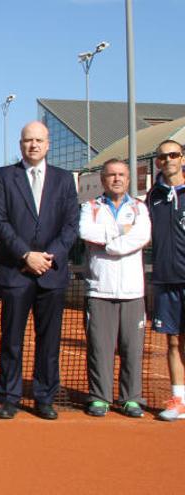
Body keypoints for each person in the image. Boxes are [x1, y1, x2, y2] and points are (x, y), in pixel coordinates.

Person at [0, 121, 79, 420]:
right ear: (21, 144)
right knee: (11, 339)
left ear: (48, 143)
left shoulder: (65, 180)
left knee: (49, 341)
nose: (34, 145)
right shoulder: (4, 176)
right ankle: (9, 398)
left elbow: (70, 225)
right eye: (28, 140)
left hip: (52, 274)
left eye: (39, 140)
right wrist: (27, 255)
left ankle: (44, 397)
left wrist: (48, 257)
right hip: (17, 272)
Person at [79, 158, 149, 418]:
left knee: (132, 348)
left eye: (121, 174)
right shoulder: (90, 207)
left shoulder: (140, 208)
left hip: (133, 292)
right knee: (99, 348)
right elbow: (86, 232)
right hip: (99, 290)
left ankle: (131, 398)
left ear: (128, 179)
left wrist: (109, 242)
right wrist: (123, 235)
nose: (117, 178)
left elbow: (142, 236)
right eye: (111, 175)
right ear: (103, 180)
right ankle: (99, 397)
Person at [146, 140, 185, 421]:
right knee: (173, 342)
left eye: (173, 155)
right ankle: (179, 401)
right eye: (163, 157)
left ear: (182, 158)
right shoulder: (153, 196)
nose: (168, 160)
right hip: (165, 280)